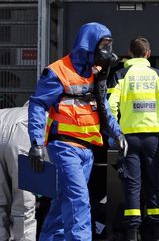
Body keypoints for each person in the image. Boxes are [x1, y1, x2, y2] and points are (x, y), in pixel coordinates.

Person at [28, 22, 127, 241]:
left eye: (109, 46)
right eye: (104, 45)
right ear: (89, 44)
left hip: (86, 151)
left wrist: (117, 133)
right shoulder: (57, 72)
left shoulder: (96, 74)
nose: (108, 52)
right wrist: (36, 142)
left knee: (63, 203)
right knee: (79, 201)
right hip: (64, 147)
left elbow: (103, 107)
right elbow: (37, 105)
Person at [108, 36, 159, 241]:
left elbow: (110, 106)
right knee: (152, 184)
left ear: (130, 52)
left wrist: (115, 133)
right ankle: (156, 233)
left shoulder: (121, 74)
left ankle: (132, 233)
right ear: (148, 53)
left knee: (132, 185)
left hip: (128, 139)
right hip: (153, 139)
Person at [0, 106, 36, 240]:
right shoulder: (43, 112)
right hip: (22, 136)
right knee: (24, 202)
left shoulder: (13, 110)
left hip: (4, 123)